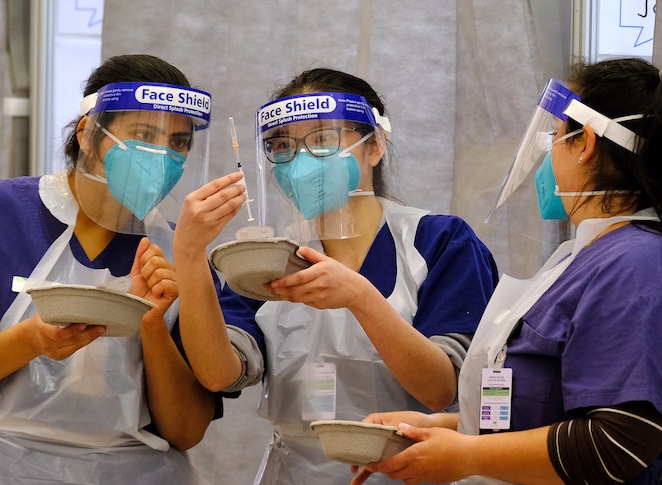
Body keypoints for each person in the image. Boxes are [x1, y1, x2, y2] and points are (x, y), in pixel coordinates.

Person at [351, 54, 662, 485]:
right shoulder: (593, 254)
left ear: (586, 142)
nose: (548, 153)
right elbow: (540, 413)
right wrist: (433, 430)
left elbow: (618, 442)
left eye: (555, 136)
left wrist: (468, 455)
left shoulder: (642, 266)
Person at [172, 68, 500, 484]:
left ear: (375, 145)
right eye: (283, 146)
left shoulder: (439, 241)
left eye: (323, 140)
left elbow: (440, 390)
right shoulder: (268, 258)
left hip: (413, 472)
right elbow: (220, 373)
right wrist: (189, 253)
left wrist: (360, 298)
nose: (301, 161)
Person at [0, 54, 221, 483]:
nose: (161, 155)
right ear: (88, 135)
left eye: (179, 143)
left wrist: (150, 323)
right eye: (144, 135)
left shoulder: (181, 253)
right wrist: (32, 339)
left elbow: (186, 430)